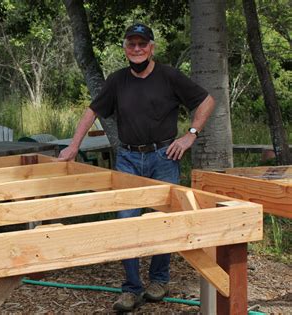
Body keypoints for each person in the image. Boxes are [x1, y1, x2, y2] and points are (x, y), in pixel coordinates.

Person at [58, 23, 215, 312]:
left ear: (151, 47)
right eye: (132, 44)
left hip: (163, 157)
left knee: (163, 221)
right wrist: (74, 145)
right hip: (128, 159)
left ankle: (158, 281)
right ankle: (131, 288)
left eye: (143, 44)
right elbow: (92, 110)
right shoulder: (117, 80)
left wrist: (190, 135)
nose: (138, 49)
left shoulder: (168, 76)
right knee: (126, 221)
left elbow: (206, 100)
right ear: (125, 48)